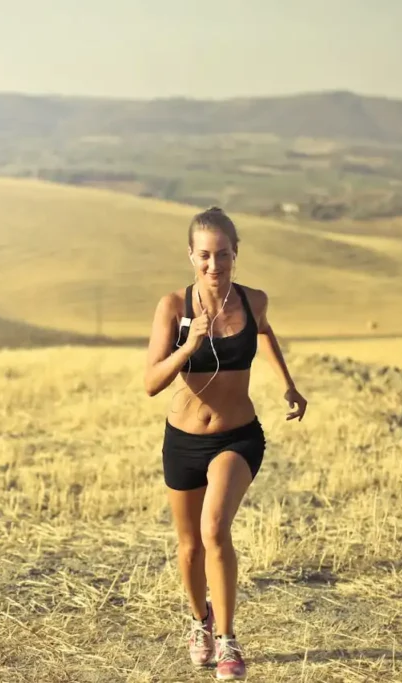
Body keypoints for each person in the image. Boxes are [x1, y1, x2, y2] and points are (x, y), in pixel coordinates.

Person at [143, 207, 307, 680]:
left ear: (237, 252)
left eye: (224, 254)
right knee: (189, 545)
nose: (214, 265)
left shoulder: (254, 300)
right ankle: (200, 623)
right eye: (205, 256)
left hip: (238, 436)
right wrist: (187, 347)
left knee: (215, 530)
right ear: (190, 256)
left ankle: (229, 640)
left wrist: (288, 385)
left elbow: (266, 332)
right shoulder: (173, 306)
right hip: (183, 441)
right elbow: (151, 383)